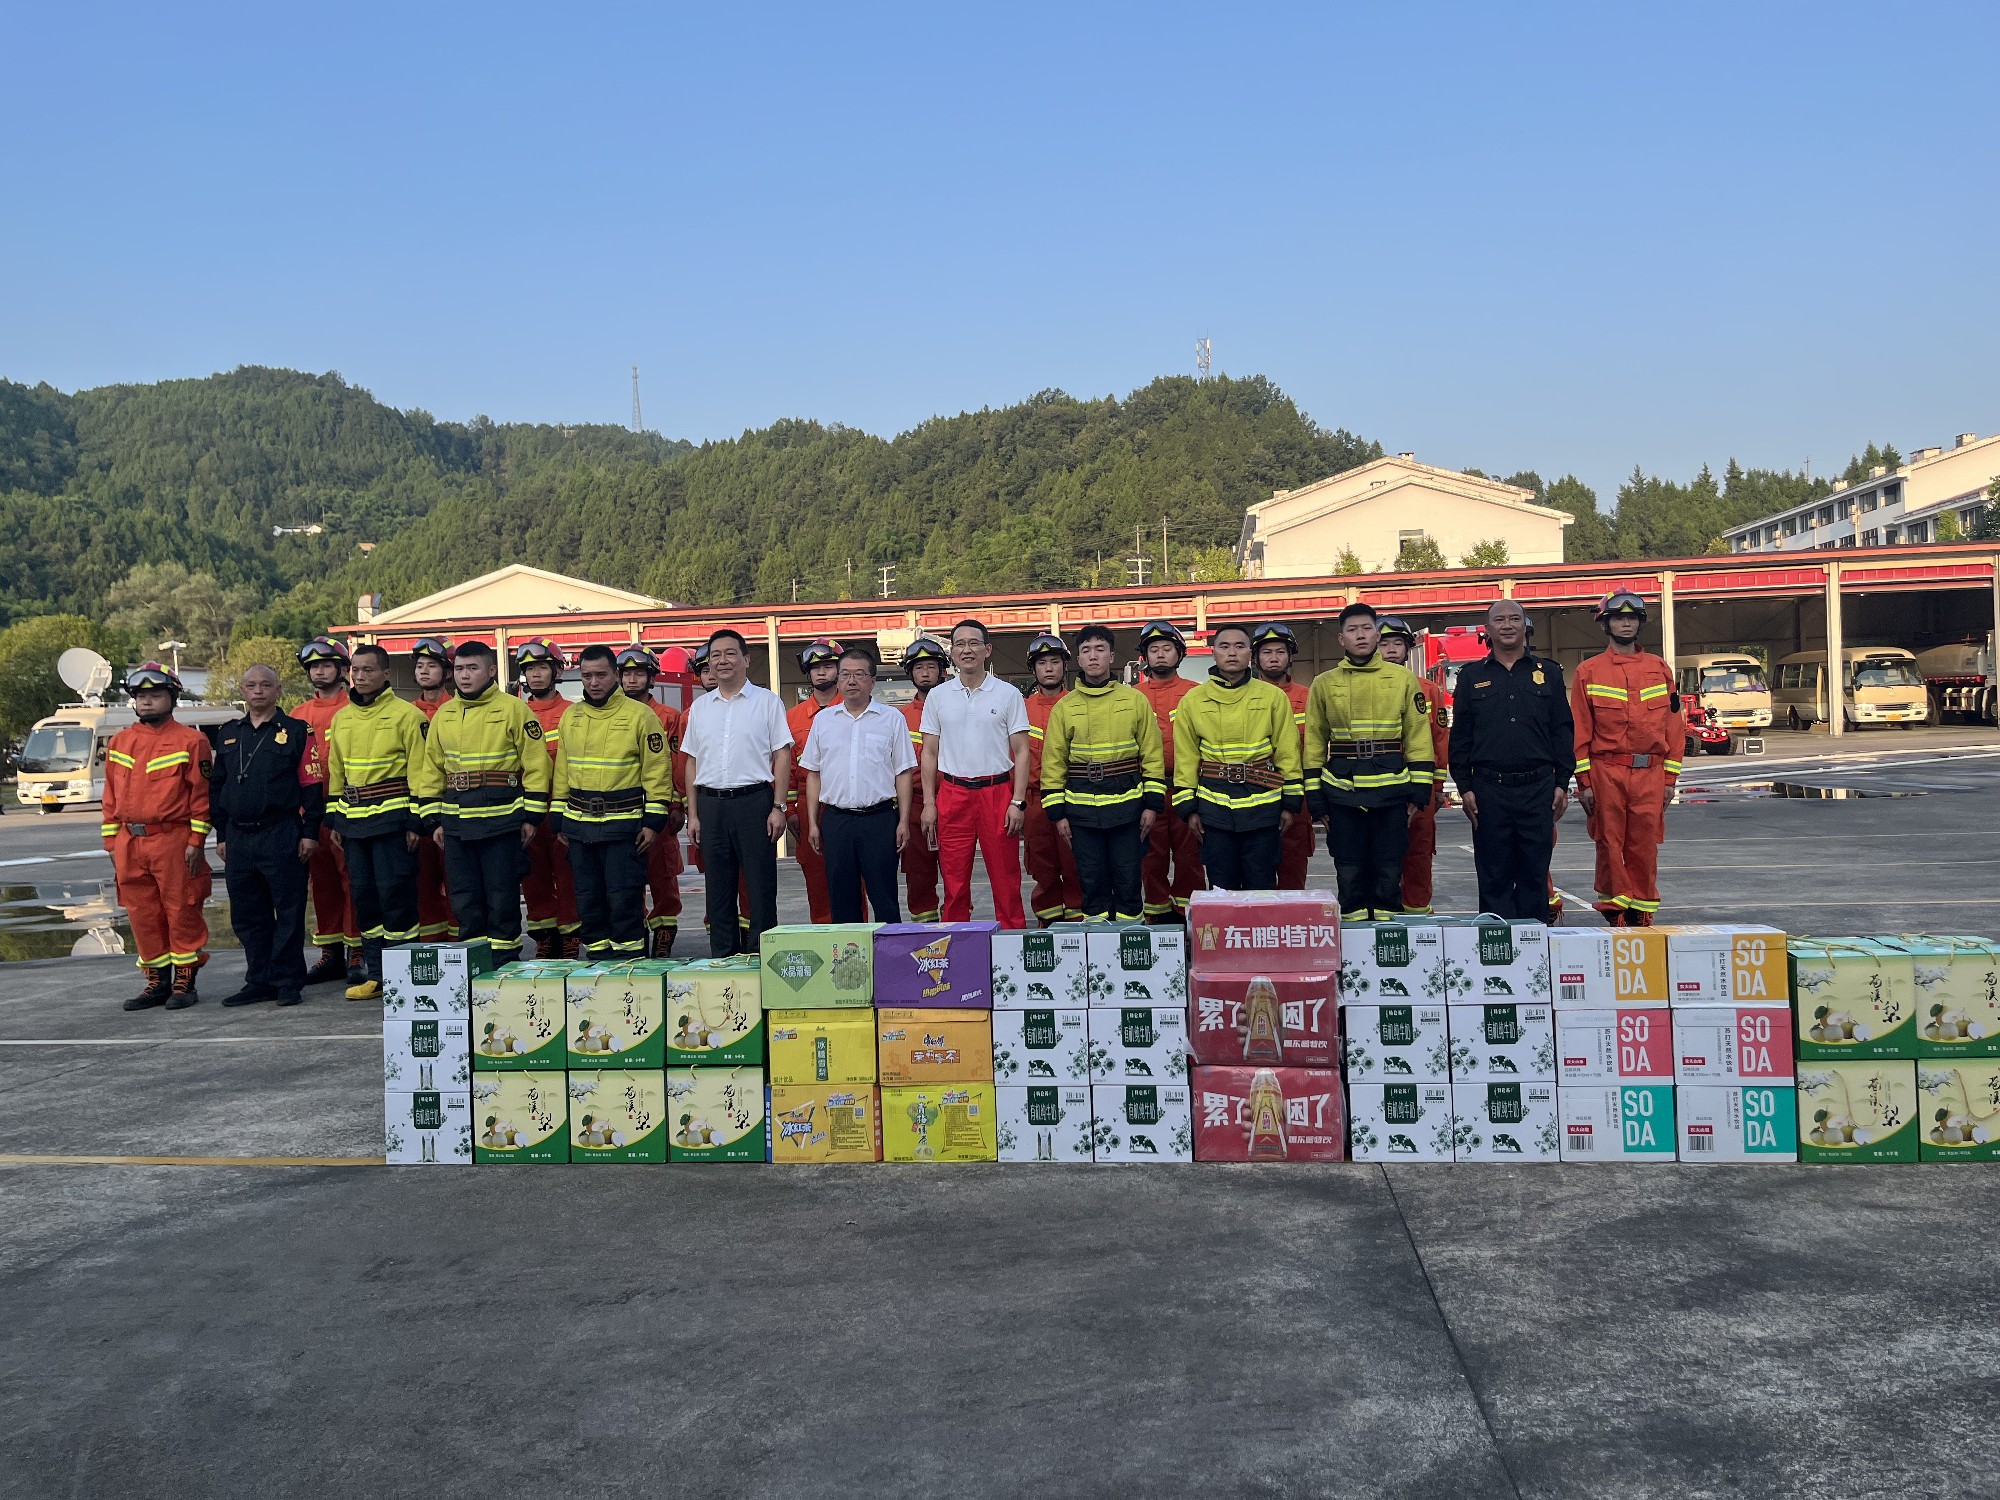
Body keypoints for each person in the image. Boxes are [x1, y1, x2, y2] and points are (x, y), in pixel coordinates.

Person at [1304, 602, 1436, 922]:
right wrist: (1315, 797)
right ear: (1341, 639)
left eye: (1366, 628)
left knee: (1389, 865)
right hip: (1342, 788)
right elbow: (1315, 741)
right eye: (1352, 630)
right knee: (1348, 866)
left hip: (1391, 788)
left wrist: (1420, 792)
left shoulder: (1403, 679)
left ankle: (1386, 930)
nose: (1360, 635)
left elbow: (1418, 735)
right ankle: (1352, 926)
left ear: (1377, 635)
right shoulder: (1324, 683)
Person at [422, 640, 552, 959]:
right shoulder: (444, 715)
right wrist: (433, 819)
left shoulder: (514, 710)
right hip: (456, 822)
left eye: (473, 668)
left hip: (502, 820)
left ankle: (504, 962)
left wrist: (532, 817)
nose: (464, 675)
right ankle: (474, 964)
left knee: (501, 895)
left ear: (491, 670)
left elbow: (537, 765)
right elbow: (431, 769)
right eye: (459, 669)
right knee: (464, 898)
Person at [1447, 599, 1574, 922]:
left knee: (1534, 875)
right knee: (1494, 877)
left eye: (1514, 619)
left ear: (1525, 626)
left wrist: (1562, 782)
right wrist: (1465, 786)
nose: (1507, 625)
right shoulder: (1471, 676)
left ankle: (1533, 945)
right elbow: (1461, 737)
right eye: (1499, 620)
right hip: (1489, 791)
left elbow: (1562, 730)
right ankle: (1497, 945)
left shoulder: (1549, 673)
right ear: (1488, 630)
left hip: (1538, 789)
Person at [324, 644, 435, 1000]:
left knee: (396, 896)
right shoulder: (341, 718)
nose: (360, 676)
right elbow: (336, 770)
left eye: (368, 670)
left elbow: (421, 771)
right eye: (355, 670)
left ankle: (406, 979)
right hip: (354, 823)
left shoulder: (407, 716)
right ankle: (377, 976)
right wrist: (335, 818)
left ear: (386, 674)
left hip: (393, 821)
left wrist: (416, 821)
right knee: (365, 898)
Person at [102, 663, 214, 1010]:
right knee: (142, 913)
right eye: (141, 696)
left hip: (172, 839)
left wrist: (196, 841)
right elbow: (110, 797)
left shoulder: (192, 741)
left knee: (182, 909)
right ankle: (156, 982)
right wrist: (111, 843)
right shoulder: (120, 742)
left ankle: (184, 982)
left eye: (155, 695)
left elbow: (201, 797)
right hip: (129, 841)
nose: (147, 701)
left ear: (172, 698)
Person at [209, 664, 322, 1008]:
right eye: (251, 685)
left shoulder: (297, 731)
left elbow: (312, 785)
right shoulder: (229, 733)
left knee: (288, 911)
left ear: (278, 690)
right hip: (239, 837)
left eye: (265, 685)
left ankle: (287, 981)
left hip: (281, 832)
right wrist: (221, 834)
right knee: (247, 914)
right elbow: (217, 786)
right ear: (242, 691)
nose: (258, 691)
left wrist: (310, 832)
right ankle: (259, 980)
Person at [554, 645, 674, 956]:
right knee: (588, 901)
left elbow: (657, 771)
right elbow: (562, 770)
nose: (593, 682)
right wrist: (558, 817)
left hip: (623, 826)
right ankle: (597, 961)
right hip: (580, 825)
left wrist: (654, 820)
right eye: (587, 676)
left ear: (616, 675)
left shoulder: (641, 716)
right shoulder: (571, 716)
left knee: (624, 900)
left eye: (601, 675)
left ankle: (629, 962)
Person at [1040, 625, 1164, 922]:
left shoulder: (1134, 701)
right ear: (1078, 660)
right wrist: (1057, 813)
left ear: (1111, 656)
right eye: (1086, 650)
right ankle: (1097, 942)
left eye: (1100, 649)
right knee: (1091, 880)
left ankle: (1130, 938)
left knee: (1128, 879)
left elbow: (1151, 753)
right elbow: (1054, 761)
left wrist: (1152, 804)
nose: (1093, 656)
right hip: (1081, 811)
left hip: (1128, 808)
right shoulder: (1064, 708)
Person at [680, 628, 792, 956]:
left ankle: (761, 959)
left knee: (760, 888)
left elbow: (782, 754)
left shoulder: (767, 702)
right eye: (715, 655)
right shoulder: (701, 708)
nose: (722, 661)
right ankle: (723, 961)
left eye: (730, 653)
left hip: (754, 803)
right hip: (711, 805)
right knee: (718, 890)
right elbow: (691, 762)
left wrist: (779, 806)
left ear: (745, 659)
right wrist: (693, 814)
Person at [1572, 590, 1680, 926]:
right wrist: (1584, 783)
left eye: (1632, 618)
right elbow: (1580, 730)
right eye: (1619, 618)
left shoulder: (1659, 669)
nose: (1626, 623)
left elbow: (1674, 727)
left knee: (1644, 844)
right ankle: (1615, 910)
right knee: (1609, 841)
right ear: (1605, 624)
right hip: (1607, 771)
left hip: (1650, 772)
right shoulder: (1588, 671)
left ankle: (1642, 910)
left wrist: (1669, 779)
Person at [1171, 623, 1302, 891]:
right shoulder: (1192, 701)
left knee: (1262, 886)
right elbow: (1186, 757)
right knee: (1222, 888)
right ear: (1214, 653)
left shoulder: (1273, 697)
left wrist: (1290, 802)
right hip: (1213, 806)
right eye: (1224, 646)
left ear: (1250, 653)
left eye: (1240, 646)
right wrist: (1188, 808)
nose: (1232, 652)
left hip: (1263, 805)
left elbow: (1288, 752)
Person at [918, 619, 1030, 928]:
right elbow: (929, 753)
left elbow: (1022, 751)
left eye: (973, 643)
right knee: (954, 882)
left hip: (997, 793)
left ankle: (1012, 944)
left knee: (1006, 879)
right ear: (952, 652)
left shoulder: (1008, 694)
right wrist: (929, 803)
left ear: (987, 650)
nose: (967, 650)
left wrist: (1018, 801)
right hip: (953, 794)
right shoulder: (938, 696)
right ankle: (957, 945)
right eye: (960, 644)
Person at [801, 647, 915, 922]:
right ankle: (848, 951)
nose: (851, 681)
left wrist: (903, 821)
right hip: (836, 821)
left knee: (884, 898)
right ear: (838, 680)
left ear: (872, 681)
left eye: (859, 674)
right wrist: (814, 823)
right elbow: (813, 774)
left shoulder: (892, 719)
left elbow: (903, 773)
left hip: (879, 820)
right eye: (845, 675)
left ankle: (890, 948)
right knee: (841, 900)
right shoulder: (824, 721)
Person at [293, 637, 363, 985]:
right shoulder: (297, 715)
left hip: (349, 807)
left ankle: (357, 951)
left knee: (353, 880)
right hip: (310, 812)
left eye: (326, 665)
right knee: (321, 884)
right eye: (314, 667)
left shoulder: (355, 708)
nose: (319, 671)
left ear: (342, 669)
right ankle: (331, 952)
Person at [618, 646, 688, 958]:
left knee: (663, 877)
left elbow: (675, 764)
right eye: (627, 674)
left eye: (639, 674)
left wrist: (676, 805)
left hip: (658, 810)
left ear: (651, 678)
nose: (632, 680)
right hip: (621, 810)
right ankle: (633, 940)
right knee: (625, 880)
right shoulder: (611, 715)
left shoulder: (669, 717)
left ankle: (663, 941)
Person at [1377, 616, 1450, 915]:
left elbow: (1439, 738)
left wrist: (1437, 786)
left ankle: (1417, 913)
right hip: (1376, 784)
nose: (1391, 650)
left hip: (1419, 786)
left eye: (1398, 643)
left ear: (1408, 650)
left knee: (1419, 852)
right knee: (1379, 855)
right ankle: (1383, 914)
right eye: (1384, 644)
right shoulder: (1362, 688)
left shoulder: (1428, 690)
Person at [1134, 620, 1204, 921]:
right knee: (1151, 858)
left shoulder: (1197, 694)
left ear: (1179, 654)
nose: (1160, 654)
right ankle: (1158, 915)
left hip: (1188, 789)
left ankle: (1190, 916)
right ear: (1145, 656)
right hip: (1148, 792)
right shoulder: (1132, 697)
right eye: (1154, 649)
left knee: (1190, 858)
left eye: (1167, 648)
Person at [515, 638, 580, 959]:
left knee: (568, 874)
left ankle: (570, 936)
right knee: (533, 876)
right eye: (529, 669)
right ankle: (544, 937)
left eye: (542, 667)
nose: (535, 675)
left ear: (557, 672)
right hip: (527, 807)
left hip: (563, 805)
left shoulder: (572, 713)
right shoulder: (516, 712)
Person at [1021, 633, 1083, 924]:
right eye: (1042, 663)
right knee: (1041, 864)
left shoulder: (1078, 704)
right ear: (1033, 669)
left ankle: (1076, 920)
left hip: (1071, 798)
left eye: (1055, 662)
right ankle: (1047, 921)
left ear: (1064, 666)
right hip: (1034, 801)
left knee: (1075, 863)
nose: (1049, 668)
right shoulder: (1021, 709)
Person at [786, 638, 846, 924]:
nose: (821, 672)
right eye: (815, 667)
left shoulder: (855, 708)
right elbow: (785, 766)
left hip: (848, 805)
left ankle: (854, 937)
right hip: (807, 807)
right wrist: (789, 810)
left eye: (828, 666)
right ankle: (823, 936)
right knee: (816, 880)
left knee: (851, 879)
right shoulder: (792, 717)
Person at [1252, 621, 1316, 890]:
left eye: (1280, 652)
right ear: (1256, 658)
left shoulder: (1308, 697)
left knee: (1293, 865)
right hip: (1254, 793)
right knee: (1256, 868)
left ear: (1290, 657)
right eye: (1267, 652)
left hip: (1296, 793)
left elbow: (1317, 746)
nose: (1274, 658)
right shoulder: (1244, 696)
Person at [408, 637, 457, 939]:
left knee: (456, 881)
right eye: (420, 666)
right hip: (418, 808)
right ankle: (432, 946)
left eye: (432, 666)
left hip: (454, 807)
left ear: (447, 672)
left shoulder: (458, 710)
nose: (424, 671)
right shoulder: (406, 712)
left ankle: (460, 946)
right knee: (422, 882)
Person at [897, 637, 949, 921]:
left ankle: (959, 928)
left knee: (956, 871)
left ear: (942, 671)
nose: (925, 673)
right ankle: (924, 930)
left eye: (931, 667)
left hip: (954, 798)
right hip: (915, 804)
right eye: (919, 668)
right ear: (910, 673)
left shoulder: (956, 709)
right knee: (918, 873)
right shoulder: (899, 718)